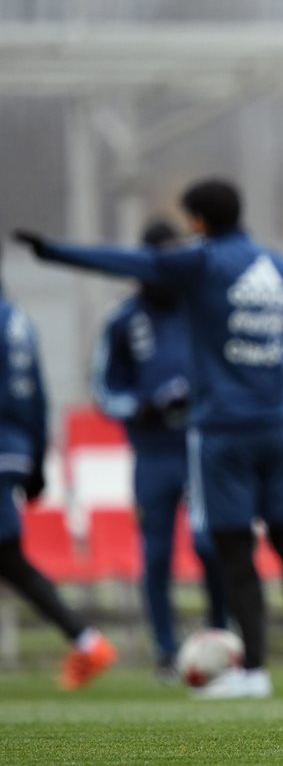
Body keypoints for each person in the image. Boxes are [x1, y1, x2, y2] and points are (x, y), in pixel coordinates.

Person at [12, 179, 283, 698]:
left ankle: (254, 672)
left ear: (197, 221)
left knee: (235, 552)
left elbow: (126, 263)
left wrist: (51, 251)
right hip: (275, 429)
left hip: (220, 436)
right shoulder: (282, 270)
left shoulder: (201, 262)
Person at [91, 219, 228, 682]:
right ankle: (166, 651)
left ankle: (221, 640)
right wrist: (143, 406)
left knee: (212, 544)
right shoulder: (123, 319)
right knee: (156, 554)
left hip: (201, 449)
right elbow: (103, 388)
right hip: (153, 456)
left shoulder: (202, 310)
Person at [0, 282, 117, 689]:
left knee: (10, 559)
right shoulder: (17, 320)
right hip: (13, 448)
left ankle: (86, 641)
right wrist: (34, 456)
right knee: (9, 559)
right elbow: (37, 394)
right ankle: (86, 642)